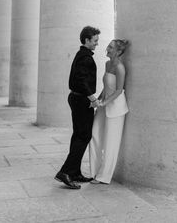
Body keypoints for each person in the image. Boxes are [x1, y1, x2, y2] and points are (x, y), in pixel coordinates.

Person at [55, 26, 101, 189]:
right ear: (87, 40)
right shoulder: (85, 57)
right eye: (95, 40)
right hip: (81, 100)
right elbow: (81, 80)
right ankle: (66, 171)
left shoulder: (82, 54)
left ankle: (74, 172)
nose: (97, 43)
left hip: (77, 98)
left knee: (78, 136)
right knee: (84, 136)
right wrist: (92, 98)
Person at [89, 39, 129, 184]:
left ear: (118, 51)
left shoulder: (120, 67)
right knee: (94, 135)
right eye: (108, 46)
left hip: (116, 108)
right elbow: (106, 88)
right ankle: (94, 171)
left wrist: (104, 103)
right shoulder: (107, 64)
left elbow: (119, 91)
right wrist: (97, 101)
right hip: (104, 104)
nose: (107, 48)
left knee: (111, 143)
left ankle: (103, 177)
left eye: (111, 47)